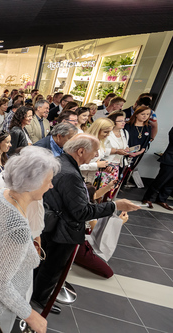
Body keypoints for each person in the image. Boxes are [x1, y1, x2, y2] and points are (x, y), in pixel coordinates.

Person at [31, 134, 140, 314]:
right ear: (80, 151)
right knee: (51, 269)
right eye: (95, 150)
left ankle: (36, 295)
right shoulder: (71, 175)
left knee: (44, 265)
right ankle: (40, 300)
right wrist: (115, 205)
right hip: (62, 230)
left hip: (50, 224)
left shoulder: (59, 162)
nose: (97, 154)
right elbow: (82, 212)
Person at [0, 146, 61, 333]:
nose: (51, 186)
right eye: (49, 181)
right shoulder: (15, 227)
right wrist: (30, 314)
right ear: (33, 183)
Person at [142, 126, 173, 210]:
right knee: (161, 180)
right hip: (170, 160)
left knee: (170, 184)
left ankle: (162, 199)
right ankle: (147, 198)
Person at [80, 118, 114, 183]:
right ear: (97, 130)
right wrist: (97, 165)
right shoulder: (85, 143)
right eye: (105, 132)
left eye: (110, 132)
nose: (108, 134)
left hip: (90, 180)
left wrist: (103, 166)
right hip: (79, 179)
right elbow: (77, 166)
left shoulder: (100, 142)